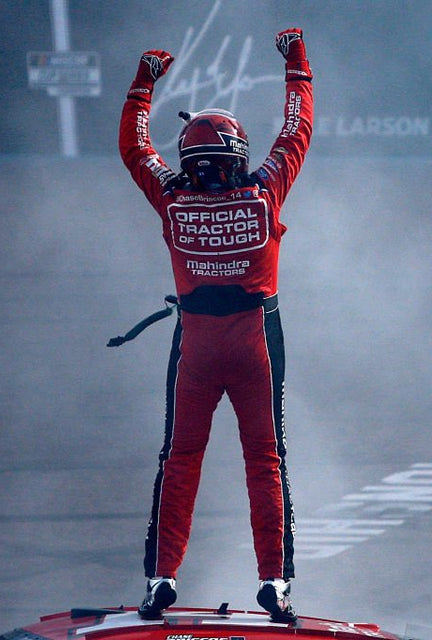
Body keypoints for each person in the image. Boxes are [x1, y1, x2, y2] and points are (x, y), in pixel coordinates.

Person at [117, 28, 313, 622]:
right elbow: (297, 129)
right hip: (257, 341)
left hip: (196, 347)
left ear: (188, 162)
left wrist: (144, 81)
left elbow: (134, 147)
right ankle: (275, 583)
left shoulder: (172, 197)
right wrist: (296, 66)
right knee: (265, 459)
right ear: (238, 159)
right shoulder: (264, 191)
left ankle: (161, 578)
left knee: (181, 458)